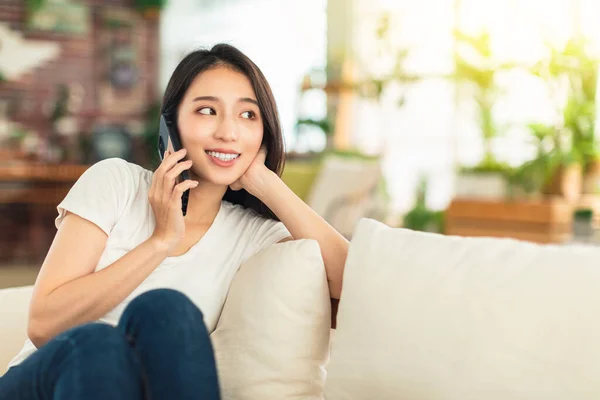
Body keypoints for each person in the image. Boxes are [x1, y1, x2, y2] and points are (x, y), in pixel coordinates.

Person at [0, 43, 349, 400]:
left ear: (265, 131)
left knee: (169, 310)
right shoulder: (116, 182)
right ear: (172, 125)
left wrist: (266, 183)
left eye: (248, 116)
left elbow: (353, 283)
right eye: (207, 110)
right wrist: (160, 242)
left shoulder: (252, 235)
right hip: (41, 382)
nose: (228, 132)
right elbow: (43, 324)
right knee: (99, 343)